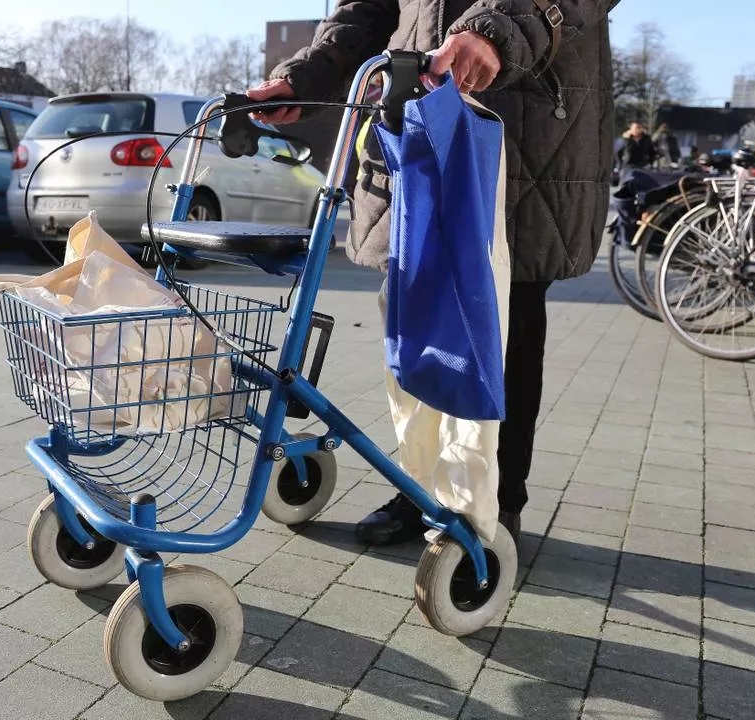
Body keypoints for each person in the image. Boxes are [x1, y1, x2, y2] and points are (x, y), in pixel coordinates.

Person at [249, 0, 615, 545]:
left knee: (502, 317)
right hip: (414, 104)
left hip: (525, 108)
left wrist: (497, 29)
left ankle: (492, 498)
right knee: (413, 308)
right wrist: (307, 77)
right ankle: (420, 483)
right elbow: (367, 9)